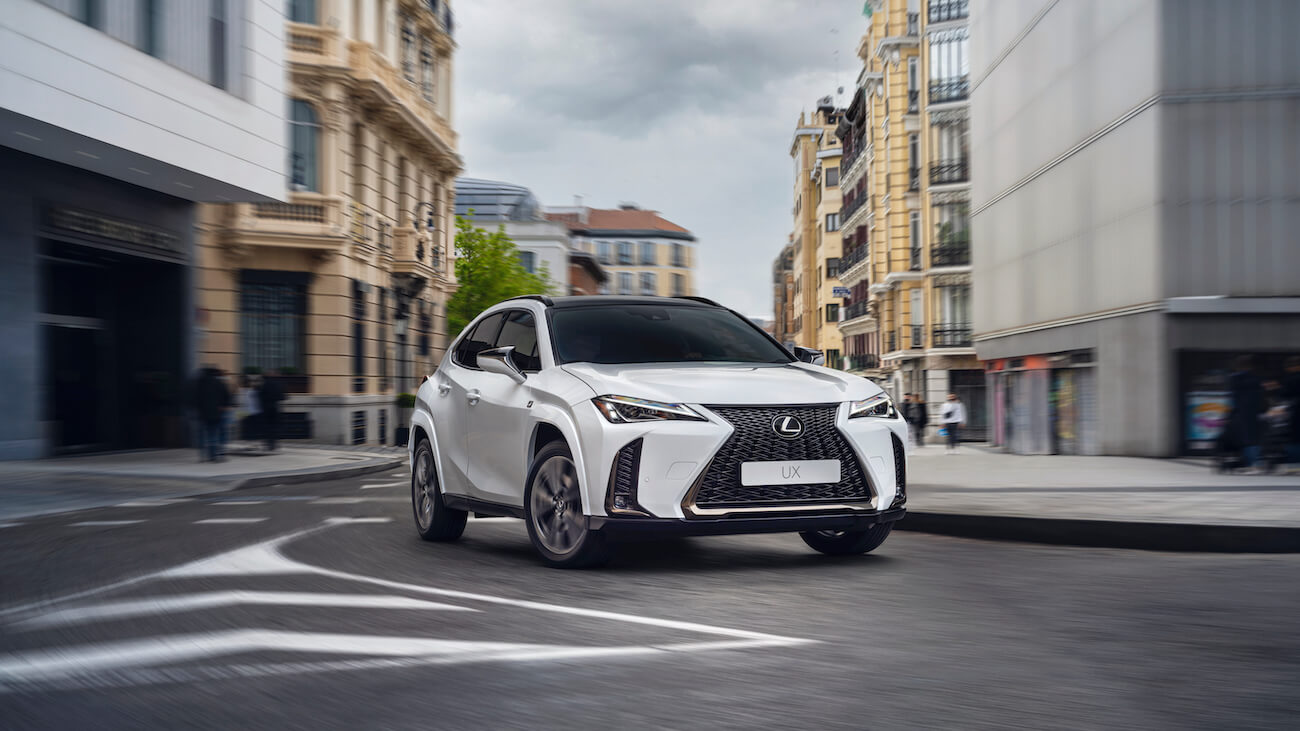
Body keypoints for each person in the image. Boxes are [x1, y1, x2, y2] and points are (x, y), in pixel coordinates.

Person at [1225, 356, 1263, 473]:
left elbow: (1232, 397)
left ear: (1238, 366)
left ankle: (1248, 463)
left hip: (1240, 412)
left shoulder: (1234, 379)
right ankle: (1254, 463)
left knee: (1244, 438)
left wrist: (1230, 413)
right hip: (1254, 412)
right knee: (1253, 438)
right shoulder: (1256, 379)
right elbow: (1259, 397)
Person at [192, 366, 231, 462]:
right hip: (217, 412)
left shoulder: (200, 384)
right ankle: (214, 456)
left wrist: (198, 409)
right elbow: (226, 395)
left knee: (203, 434)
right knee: (214, 434)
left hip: (203, 413)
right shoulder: (219, 383)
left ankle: (203, 455)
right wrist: (223, 406)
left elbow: (195, 398)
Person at [258, 369, 285, 452]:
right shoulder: (278, 384)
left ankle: (268, 443)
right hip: (275, 407)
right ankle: (274, 443)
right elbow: (282, 396)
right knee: (275, 426)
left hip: (266, 407)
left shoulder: (264, 384)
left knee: (267, 426)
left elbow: (260, 396)